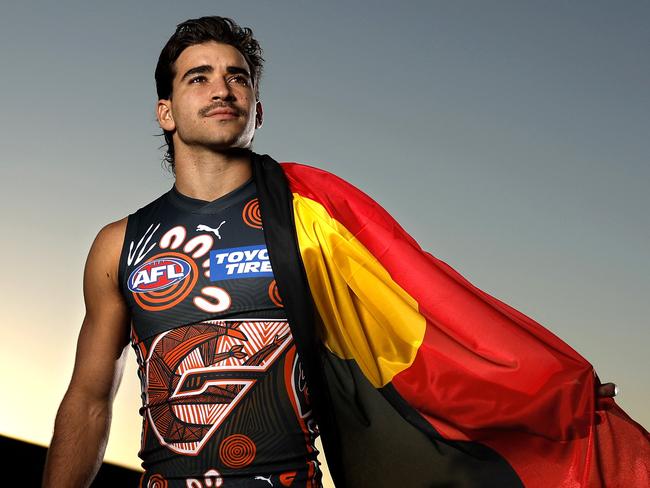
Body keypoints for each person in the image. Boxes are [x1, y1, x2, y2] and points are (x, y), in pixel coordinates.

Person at [42, 15, 646, 488]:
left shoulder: (313, 218)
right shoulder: (120, 244)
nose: (222, 88)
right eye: (198, 76)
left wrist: (546, 392)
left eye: (238, 76)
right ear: (166, 111)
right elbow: (91, 397)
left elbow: (432, 312)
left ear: (258, 109)